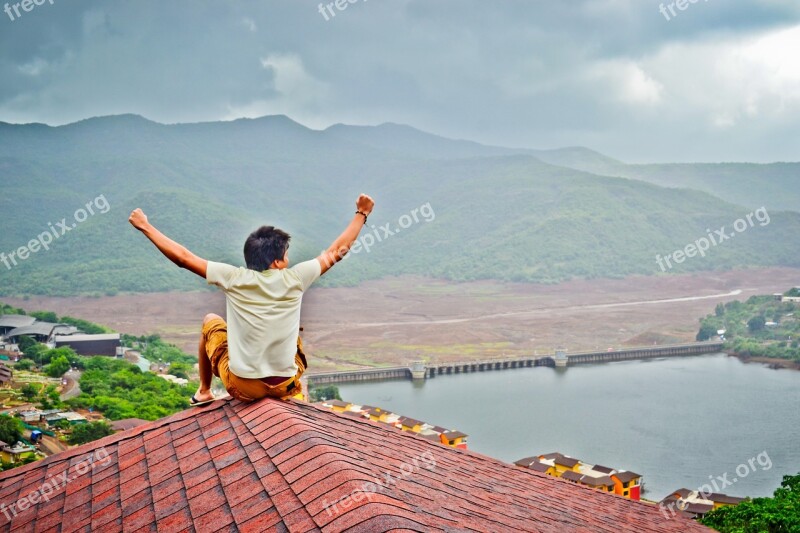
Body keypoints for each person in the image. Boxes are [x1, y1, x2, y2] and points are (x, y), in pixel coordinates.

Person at [128, 193, 375, 405]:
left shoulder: (233, 277)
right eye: (286, 255)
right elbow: (337, 252)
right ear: (277, 261)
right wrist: (361, 214)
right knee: (294, 332)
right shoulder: (296, 278)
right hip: (285, 386)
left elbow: (183, 258)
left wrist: (146, 227)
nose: (288, 259)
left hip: (244, 388)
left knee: (210, 321)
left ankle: (204, 391)